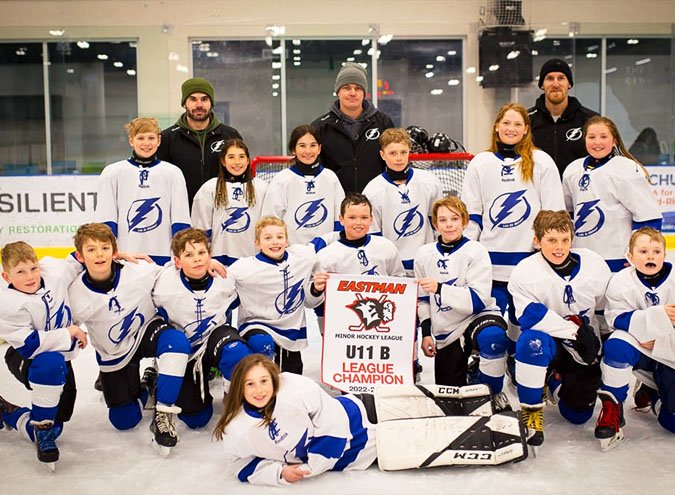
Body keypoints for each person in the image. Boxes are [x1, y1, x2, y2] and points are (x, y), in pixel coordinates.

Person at [68, 223, 192, 456]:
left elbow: (174, 271)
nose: (99, 254)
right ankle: (149, 386)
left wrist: (209, 265)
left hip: (147, 330)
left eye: (105, 248)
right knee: (123, 420)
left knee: (176, 342)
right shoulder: (76, 294)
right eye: (91, 250)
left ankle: (163, 413)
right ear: (80, 257)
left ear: (114, 251)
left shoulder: (138, 271)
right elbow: (62, 323)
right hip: (115, 352)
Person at [461, 103, 565, 365]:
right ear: (496, 127)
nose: (511, 128)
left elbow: (553, 215)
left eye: (518, 124)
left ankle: (522, 367)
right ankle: (487, 367)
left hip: (529, 265)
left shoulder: (541, 161)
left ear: (526, 129)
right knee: (491, 333)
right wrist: (469, 255)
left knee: (525, 328)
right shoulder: (481, 163)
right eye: (506, 123)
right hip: (490, 267)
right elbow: (472, 213)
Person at [152, 228, 273, 431]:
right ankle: (162, 380)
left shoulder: (224, 277)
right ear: (177, 261)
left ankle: (232, 396)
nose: (197, 259)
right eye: (189, 255)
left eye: (202, 253)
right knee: (197, 419)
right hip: (187, 353)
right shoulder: (164, 283)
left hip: (216, 340)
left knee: (236, 351)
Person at [508, 210, 612, 447]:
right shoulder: (525, 271)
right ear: (537, 240)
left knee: (577, 416)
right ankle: (531, 414)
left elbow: (606, 310)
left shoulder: (594, 264)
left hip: (584, 347)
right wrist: (575, 331)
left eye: (565, 240)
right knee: (531, 342)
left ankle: (554, 383)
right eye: (552, 240)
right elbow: (531, 317)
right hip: (551, 342)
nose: (559, 247)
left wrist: (603, 345)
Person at [213, 354, 377, 485]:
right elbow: (239, 464)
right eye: (250, 384)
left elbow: (334, 431)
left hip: (365, 412)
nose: (259, 390)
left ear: (274, 379)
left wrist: (310, 468)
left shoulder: (295, 389)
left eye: (264, 381)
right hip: (365, 452)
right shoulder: (237, 428)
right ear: (239, 388)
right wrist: (280, 472)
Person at [415, 196, 510, 411]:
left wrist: (440, 288)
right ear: (435, 224)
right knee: (450, 404)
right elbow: (422, 299)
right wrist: (427, 332)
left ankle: (492, 394)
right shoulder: (423, 254)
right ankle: (472, 372)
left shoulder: (476, 250)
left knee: (493, 339)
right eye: (443, 219)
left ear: (464, 221)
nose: (449, 224)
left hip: (478, 317)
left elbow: (477, 300)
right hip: (446, 331)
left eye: (455, 219)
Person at [0, 241, 87, 468]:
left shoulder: (53, 270)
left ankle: (10, 413)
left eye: (33, 268)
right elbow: (30, 345)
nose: (30, 276)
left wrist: (120, 255)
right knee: (50, 362)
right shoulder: (6, 303)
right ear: (7, 277)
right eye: (20, 272)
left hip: (60, 360)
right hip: (23, 356)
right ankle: (41, 427)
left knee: (58, 424)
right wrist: (70, 331)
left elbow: (79, 259)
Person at [595, 227, 675, 451]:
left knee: (672, 422)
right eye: (643, 251)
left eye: (656, 251)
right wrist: (653, 320)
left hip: (670, 351)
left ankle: (653, 393)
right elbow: (616, 318)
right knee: (616, 346)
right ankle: (612, 408)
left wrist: (661, 340)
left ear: (664, 255)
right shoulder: (621, 281)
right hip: (639, 344)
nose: (651, 256)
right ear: (630, 257)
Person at [562, 116, 662, 273]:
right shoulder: (572, 170)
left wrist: (639, 255)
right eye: (592, 137)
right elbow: (568, 213)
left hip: (617, 260)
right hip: (580, 258)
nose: (597, 142)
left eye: (604, 137)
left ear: (614, 140)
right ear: (585, 139)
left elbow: (649, 217)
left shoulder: (628, 170)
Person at [227, 217, 327, 374]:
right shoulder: (243, 267)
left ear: (287, 241)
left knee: (291, 382)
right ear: (257, 243)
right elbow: (219, 281)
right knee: (261, 344)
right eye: (268, 238)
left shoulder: (303, 257)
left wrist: (315, 288)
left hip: (291, 332)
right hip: (257, 326)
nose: (275, 242)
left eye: (280, 237)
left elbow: (309, 301)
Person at [97, 117, 191, 264]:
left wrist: (181, 253)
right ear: (131, 140)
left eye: (151, 138)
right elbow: (106, 217)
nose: (146, 143)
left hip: (164, 254)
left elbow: (180, 217)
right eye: (140, 138)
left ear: (159, 140)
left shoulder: (173, 173)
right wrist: (114, 253)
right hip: (127, 254)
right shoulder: (112, 172)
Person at [362, 128, 443, 275]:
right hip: (392, 268)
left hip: (427, 264)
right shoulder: (373, 190)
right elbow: (374, 237)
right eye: (393, 153)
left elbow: (438, 225)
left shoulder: (429, 181)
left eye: (403, 152)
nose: (399, 158)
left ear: (409, 152)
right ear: (382, 155)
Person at [158, 77, 243, 207]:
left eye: (204, 99)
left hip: (222, 213)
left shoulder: (230, 135)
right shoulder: (167, 138)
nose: (199, 105)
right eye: (193, 99)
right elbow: (160, 181)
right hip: (182, 213)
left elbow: (240, 175)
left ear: (211, 103)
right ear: (184, 103)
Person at [311, 62, 394, 193]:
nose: (353, 93)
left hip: (375, 199)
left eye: (358, 88)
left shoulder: (383, 122)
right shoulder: (320, 127)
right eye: (346, 88)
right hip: (336, 201)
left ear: (364, 93)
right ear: (338, 91)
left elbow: (393, 159)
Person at [262, 124, 344, 245]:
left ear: (319, 148)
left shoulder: (330, 178)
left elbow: (341, 217)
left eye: (313, 145)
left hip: (326, 252)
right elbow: (271, 219)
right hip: (292, 254)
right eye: (302, 146)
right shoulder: (282, 179)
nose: (308, 151)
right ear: (293, 150)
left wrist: (335, 245)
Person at [191, 138, 267, 266]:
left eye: (241, 157)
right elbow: (200, 230)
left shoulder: (261, 187)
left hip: (253, 260)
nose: (237, 162)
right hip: (219, 261)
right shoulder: (209, 188)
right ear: (223, 161)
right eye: (231, 157)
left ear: (248, 160)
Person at [528, 58, 599, 176]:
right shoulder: (526, 120)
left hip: (579, 191)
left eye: (561, 78)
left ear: (569, 84)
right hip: (538, 191)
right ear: (541, 85)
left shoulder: (590, 120)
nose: (556, 84)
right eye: (550, 78)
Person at [315, 192, 405, 278]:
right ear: (341, 219)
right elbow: (314, 290)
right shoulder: (326, 255)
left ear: (371, 219)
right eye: (352, 218)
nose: (358, 223)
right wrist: (316, 289)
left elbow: (399, 278)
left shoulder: (386, 247)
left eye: (364, 217)